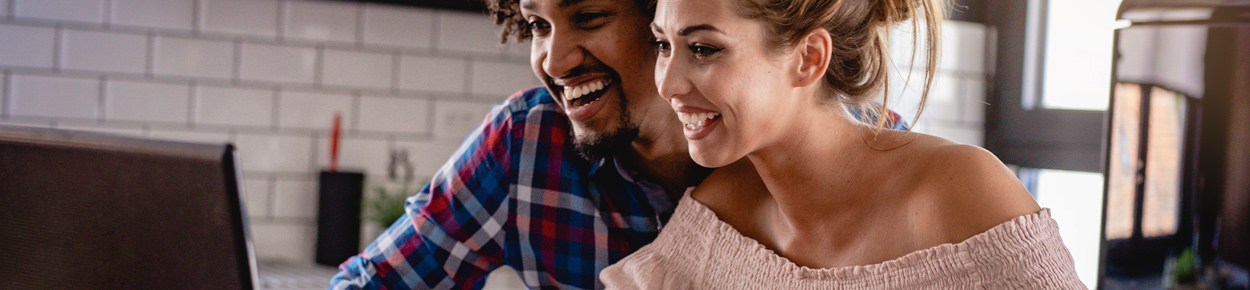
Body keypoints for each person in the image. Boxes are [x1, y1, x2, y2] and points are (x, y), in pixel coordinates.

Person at [327, 0, 905, 289]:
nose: (552, 61)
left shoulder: (856, 154)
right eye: (538, 25)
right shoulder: (524, 143)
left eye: (588, 17)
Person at [600, 0, 1085, 288]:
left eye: (703, 49)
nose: (668, 83)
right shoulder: (713, 226)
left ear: (809, 58)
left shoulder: (962, 193)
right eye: (663, 45)